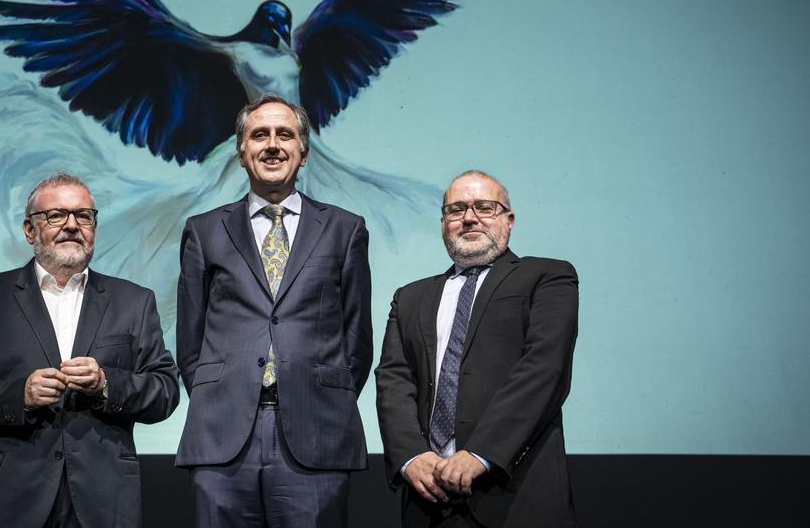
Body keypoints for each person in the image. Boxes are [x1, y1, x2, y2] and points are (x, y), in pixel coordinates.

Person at [0, 173, 180, 528]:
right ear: (30, 230)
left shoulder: (134, 301)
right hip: (5, 497)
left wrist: (107, 384)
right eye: (56, 215)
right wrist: (20, 394)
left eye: (83, 216)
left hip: (102, 499)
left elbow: (165, 392)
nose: (71, 226)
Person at [175, 94, 372, 527]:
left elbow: (357, 340)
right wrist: (222, 396)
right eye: (258, 135)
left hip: (317, 432)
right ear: (242, 153)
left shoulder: (345, 229)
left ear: (303, 152)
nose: (272, 144)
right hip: (224, 436)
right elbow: (190, 344)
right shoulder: (204, 231)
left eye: (285, 134)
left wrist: (320, 397)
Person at [375, 170, 579, 528]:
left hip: (515, 493)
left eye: (484, 207)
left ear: (509, 220)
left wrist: (481, 453)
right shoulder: (410, 297)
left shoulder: (547, 277)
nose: (469, 218)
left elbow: (544, 368)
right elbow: (394, 380)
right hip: (428, 499)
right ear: (443, 223)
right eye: (456, 209)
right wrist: (410, 457)